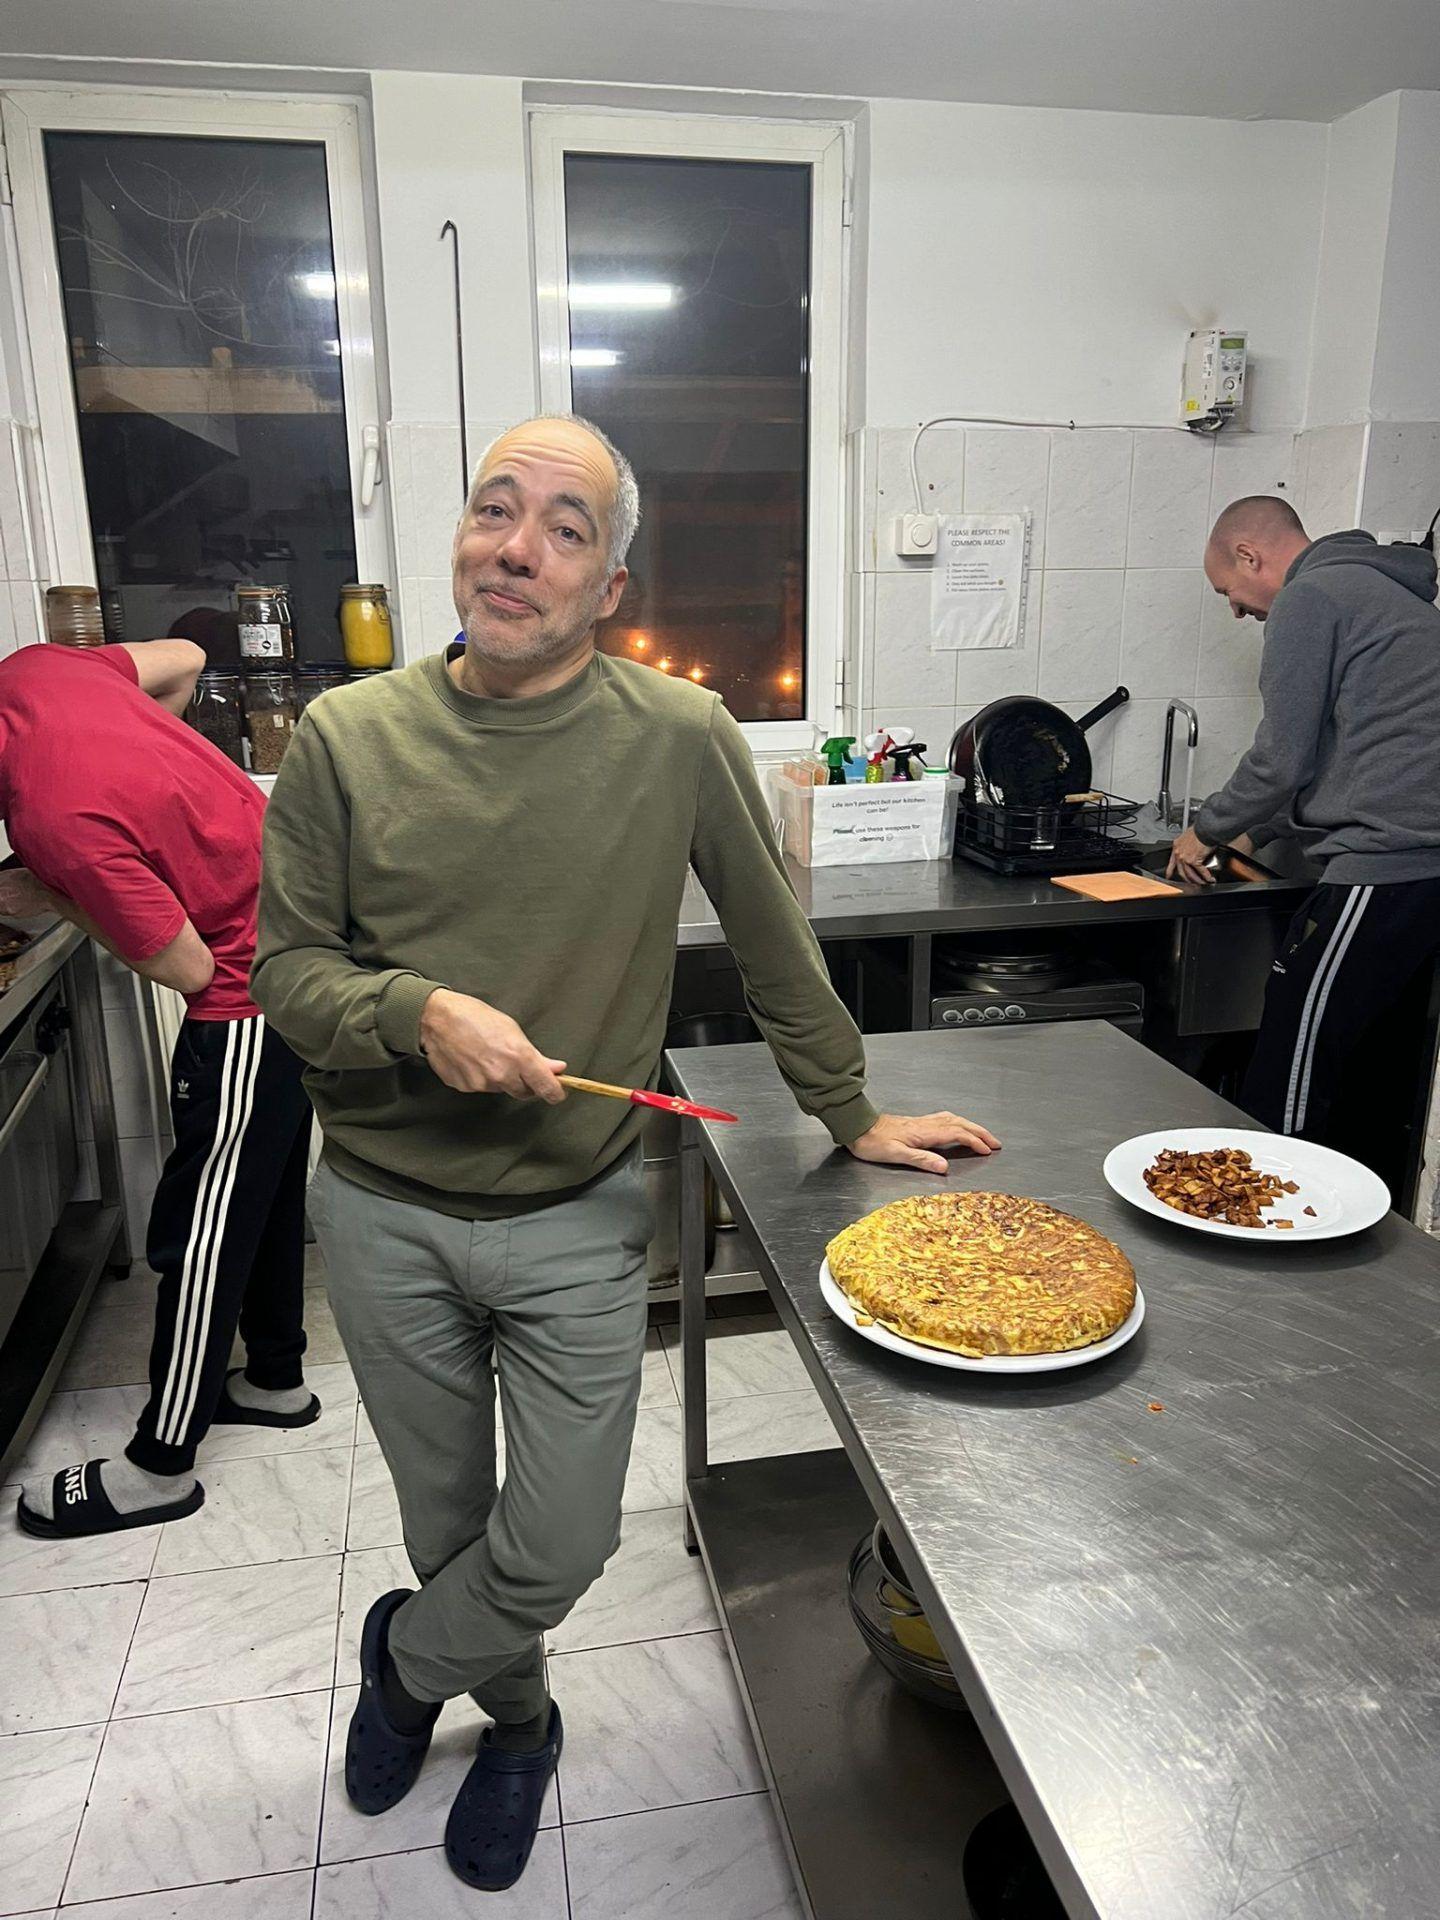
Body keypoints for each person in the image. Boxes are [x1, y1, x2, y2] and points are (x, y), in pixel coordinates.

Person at [251, 413, 1001, 1894]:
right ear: (462, 537)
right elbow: (285, 978)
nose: (515, 547)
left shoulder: (678, 735)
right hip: (386, 1214)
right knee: (447, 1517)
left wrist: (848, 1107)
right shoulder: (347, 737)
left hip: (577, 1211)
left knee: (565, 1533)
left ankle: (407, 1663)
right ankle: (518, 1721)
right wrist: (415, 1012)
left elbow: (775, 944)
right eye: (494, 510)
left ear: (610, 587)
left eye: (566, 527)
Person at [0, 638, 320, 1538]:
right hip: (303, 950)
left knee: (201, 1230)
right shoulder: (35, 669)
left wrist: (55, 892)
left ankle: (159, 1466)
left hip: (247, 989)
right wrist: (162, 799)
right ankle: (275, 1379)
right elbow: (184, 656)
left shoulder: (51, 823)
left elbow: (184, 964)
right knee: (260, 1192)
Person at [1170, 495, 1440, 1144]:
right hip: (1419, 868)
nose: (1235, 608)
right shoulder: (1382, 590)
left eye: (1228, 590)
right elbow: (1341, 754)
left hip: (1385, 866)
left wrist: (1204, 829)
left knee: (1291, 1060)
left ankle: (1262, 1226)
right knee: (1368, 1073)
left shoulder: (1311, 597)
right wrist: (1256, 830)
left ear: (1249, 554)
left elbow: (1281, 759)